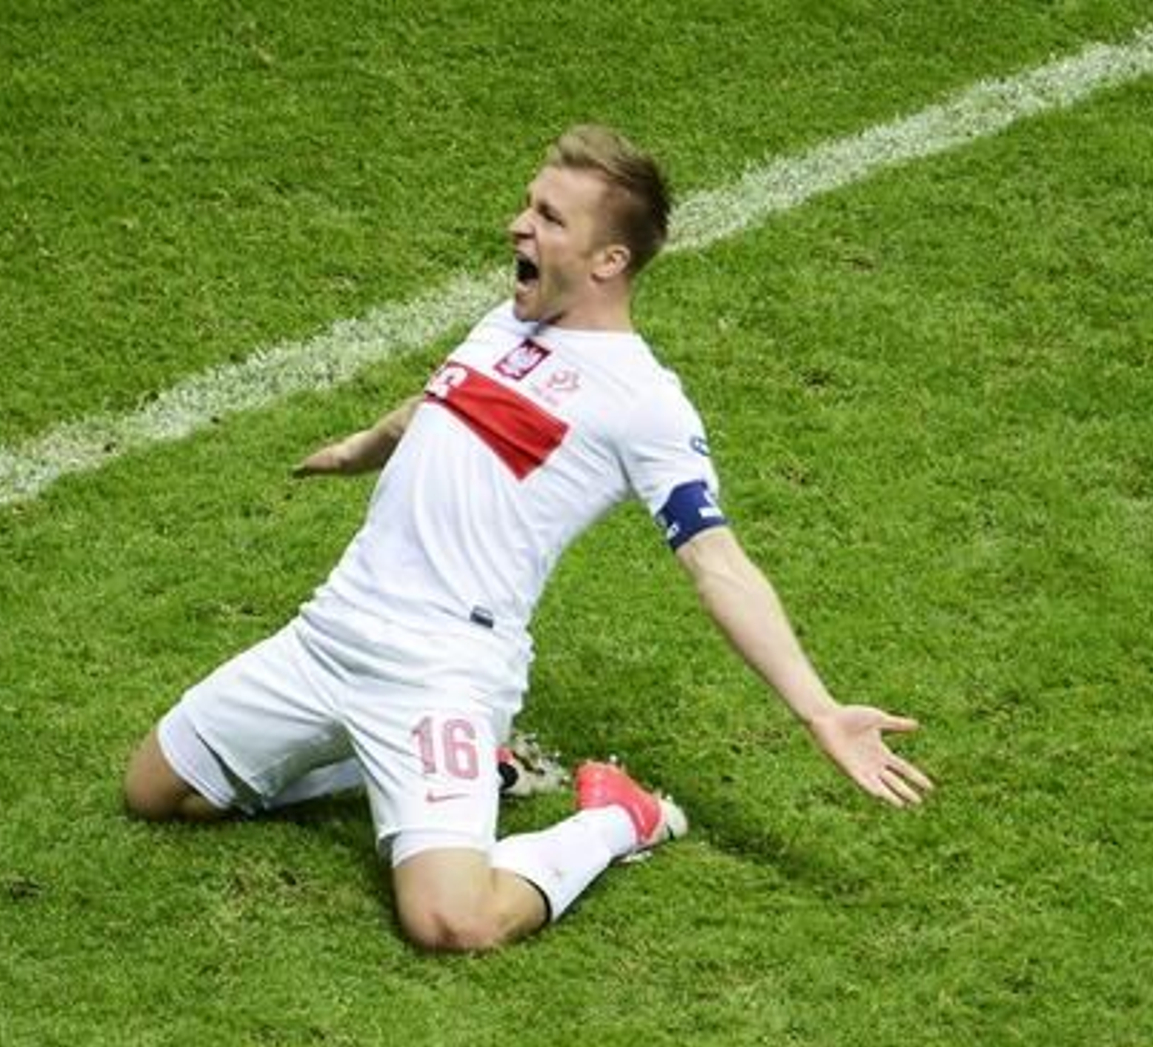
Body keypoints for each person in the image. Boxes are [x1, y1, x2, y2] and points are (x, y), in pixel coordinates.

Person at [124, 125, 933, 953]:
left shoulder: (643, 403)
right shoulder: (506, 319)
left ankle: (618, 817)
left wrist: (818, 709)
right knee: (156, 791)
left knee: (454, 920)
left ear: (608, 261)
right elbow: (441, 403)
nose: (518, 225)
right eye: (528, 204)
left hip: (441, 671)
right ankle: (453, 769)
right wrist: (362, 447)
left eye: (548, 217)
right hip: (332, 630)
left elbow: (716, 563)